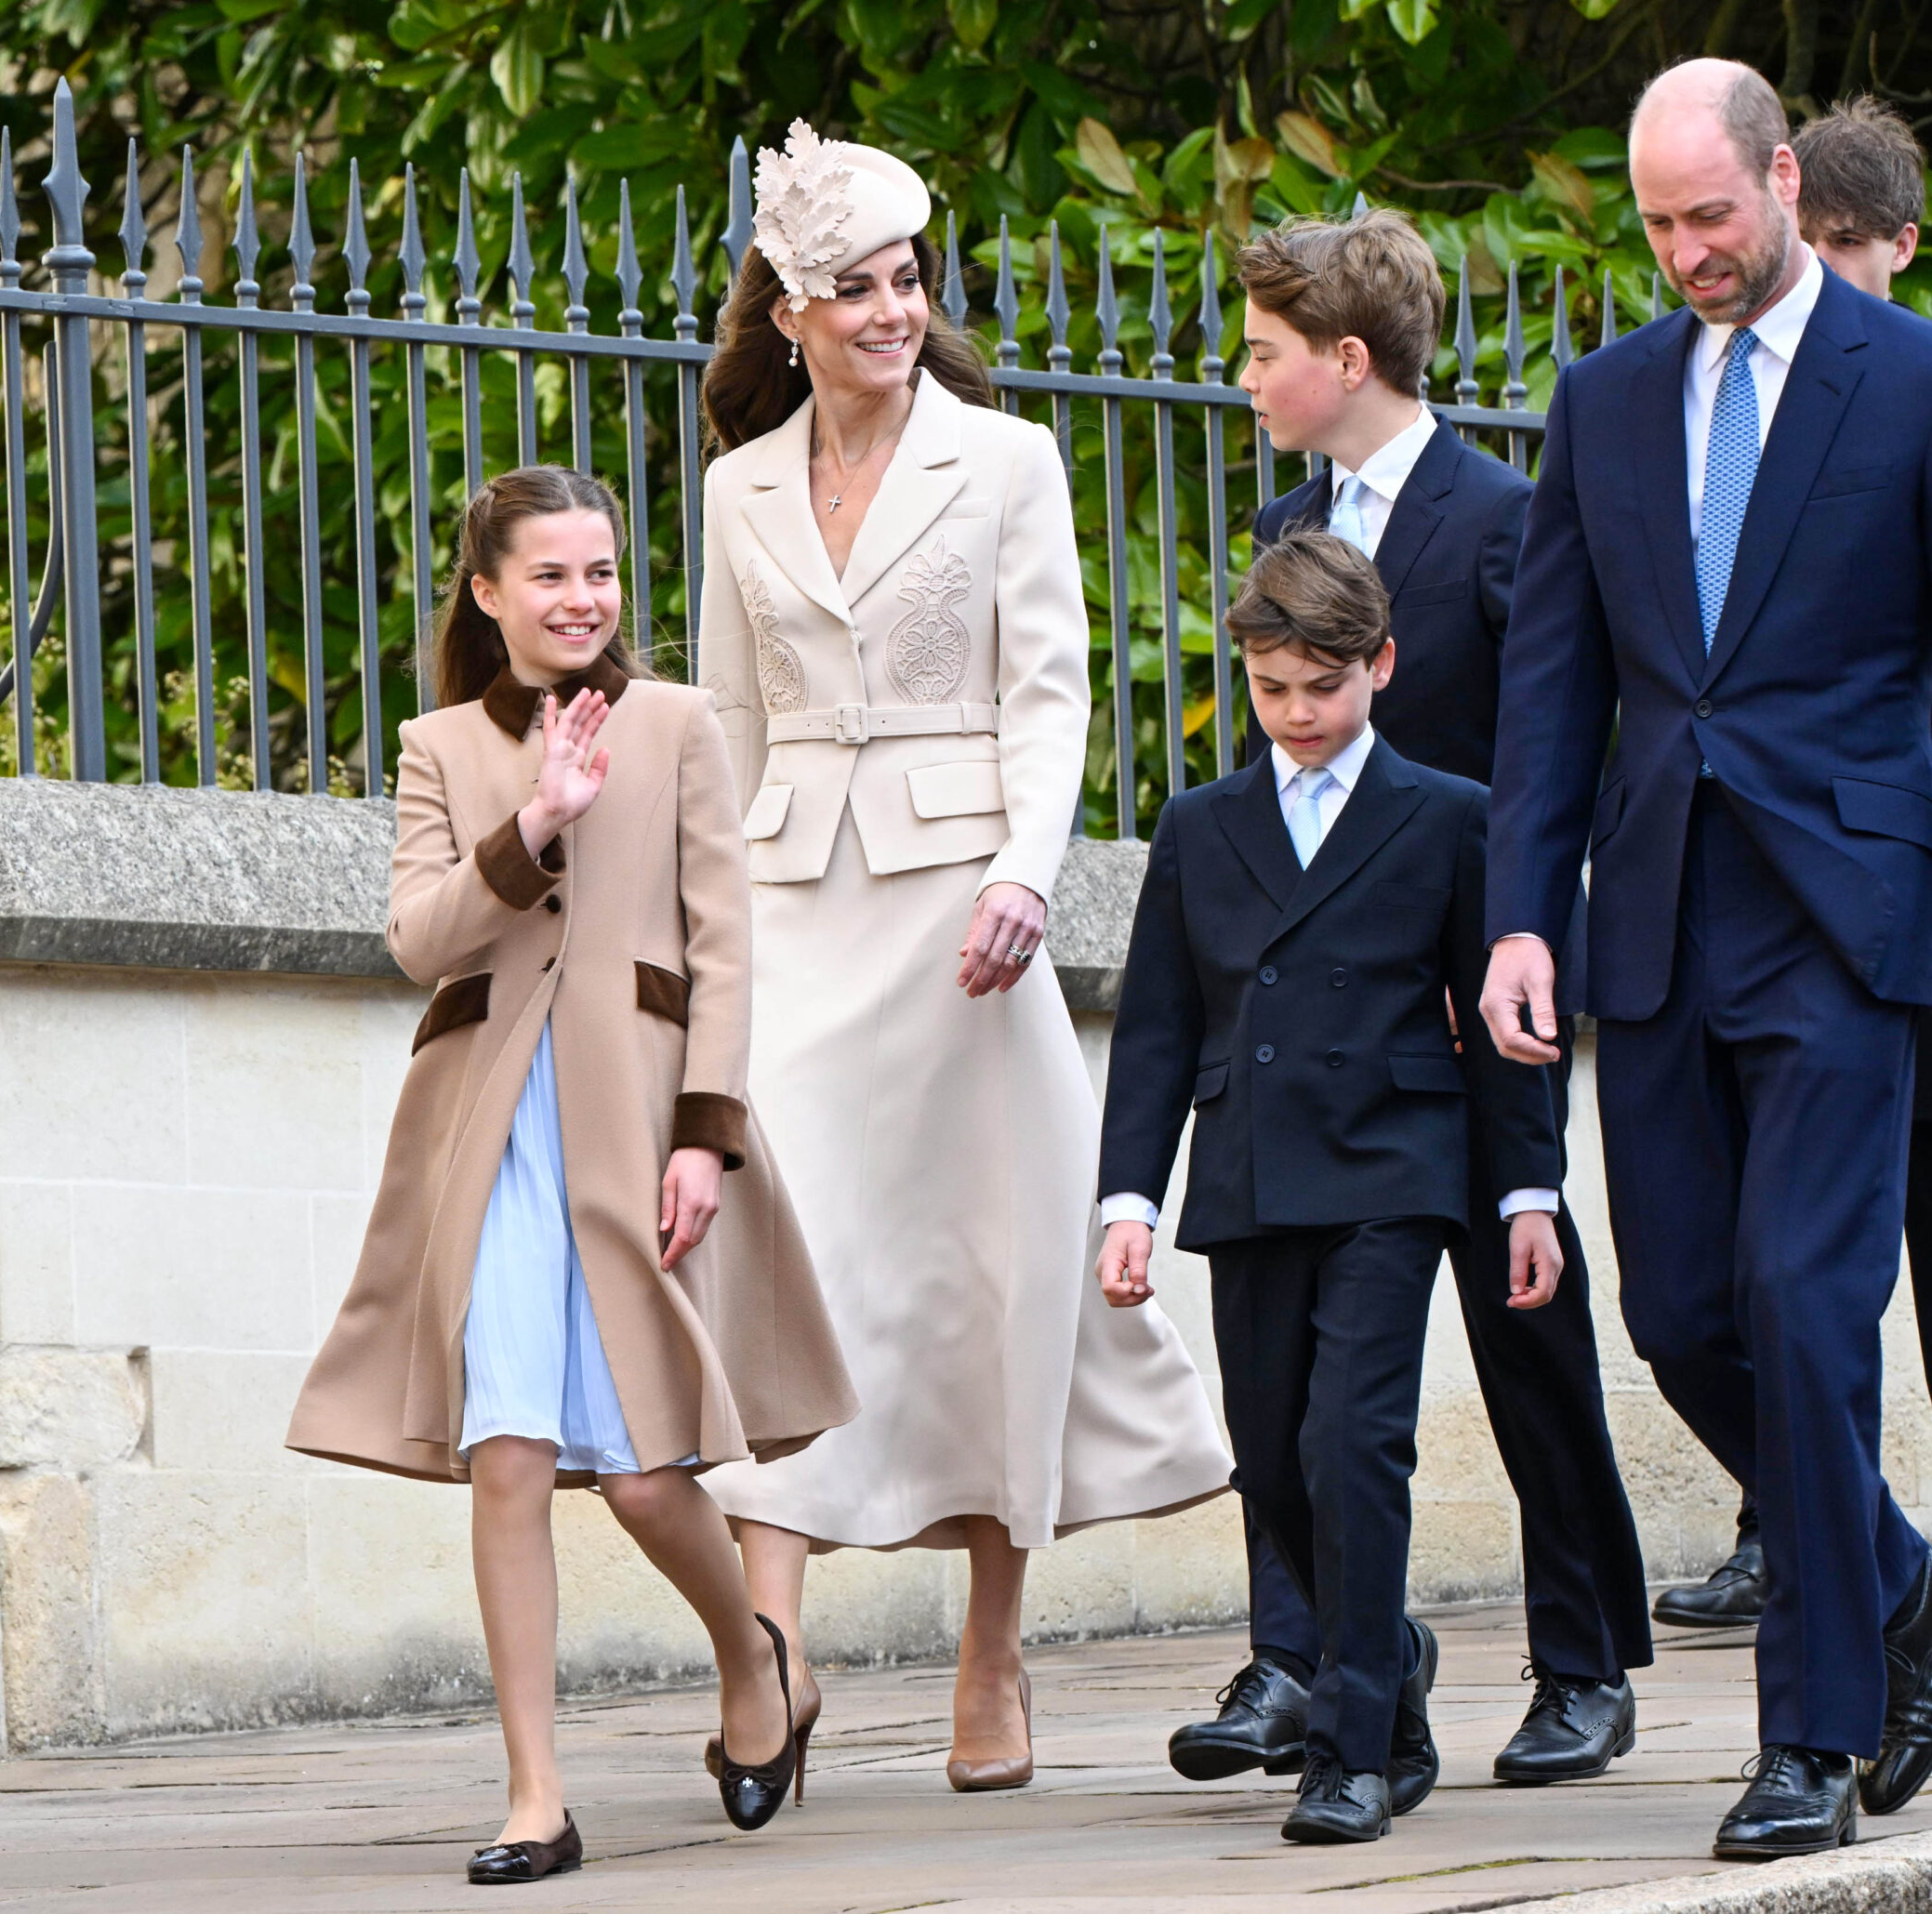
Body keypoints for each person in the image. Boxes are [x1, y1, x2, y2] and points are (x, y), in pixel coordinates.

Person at [1480, 60, 1932, 1859]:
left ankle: (1812, 1736)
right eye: (1658, 226)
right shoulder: (1607, 398)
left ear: (1786, 180)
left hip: (1851, 924)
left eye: (1711, 216)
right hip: (1652, 923)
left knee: (1812, 1319)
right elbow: (1554, 683)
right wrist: (1520, 908)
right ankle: (1895, 1582)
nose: (1687, 255)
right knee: (1679, 1320)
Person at [691, 123, 1234, 1793]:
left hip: (958, 923)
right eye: (852, 287)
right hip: (792, 913)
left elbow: (1050, 692)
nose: (890, 310)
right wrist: (697, 922)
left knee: (983, 1273)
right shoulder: (734, 484)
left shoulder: (1005, 462)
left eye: (907, 279)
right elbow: (722, 715)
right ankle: (773, 1662)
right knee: (787, 1269)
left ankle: (993, 1653)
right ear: (787, 308)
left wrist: (1025, 871)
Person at [286, 467, 858, 1882]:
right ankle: (534, 1794)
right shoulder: (436, 744)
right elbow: (421, 938)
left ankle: (758, 1657)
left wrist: (703, 1132)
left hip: (638, 1123)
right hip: (487, 1139)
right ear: (487, 592)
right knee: (511, 1461)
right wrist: (536, 820)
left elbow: (725, 941)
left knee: (654, 1480)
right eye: (549, 576)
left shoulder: (677, 727)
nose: (581, 599)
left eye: (598, 572)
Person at [1160, 208, 1649, 1797]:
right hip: (1323, 1050)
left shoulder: (1505, 519)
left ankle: (1580, 1663)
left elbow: (1564, 753)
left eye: (1261, 353)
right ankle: (1304, 1652)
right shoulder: (1289, 525)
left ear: (1345, 359)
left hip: (1480, 1008)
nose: (1239, 378)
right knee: (1291, 1377)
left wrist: (1524, 952)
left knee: (1529, 1340)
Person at [1661, 99, 1932, 1637]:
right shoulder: (1713, 407)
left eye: (1854, 248)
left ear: (1903, 246)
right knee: (1772, 1250)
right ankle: (1801, 1520)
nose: (1830, 274)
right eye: (1815, 248)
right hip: (1774, 889)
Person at [1096, 529, 1568, 1844]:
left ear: (1382, 666)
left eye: (1325, 686)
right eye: (1272, 689)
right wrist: (1126, 1200)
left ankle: (1351, 1751)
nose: (1299, 716)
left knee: (1352, 1445)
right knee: (1276, 1465)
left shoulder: (1452, 816)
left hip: (1395, 1166)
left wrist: (1528, 1192)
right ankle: (1388, 1664)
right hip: (1248, 1167)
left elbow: (1507, 1024)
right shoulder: (1201, 826)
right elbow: (1155, 1031)